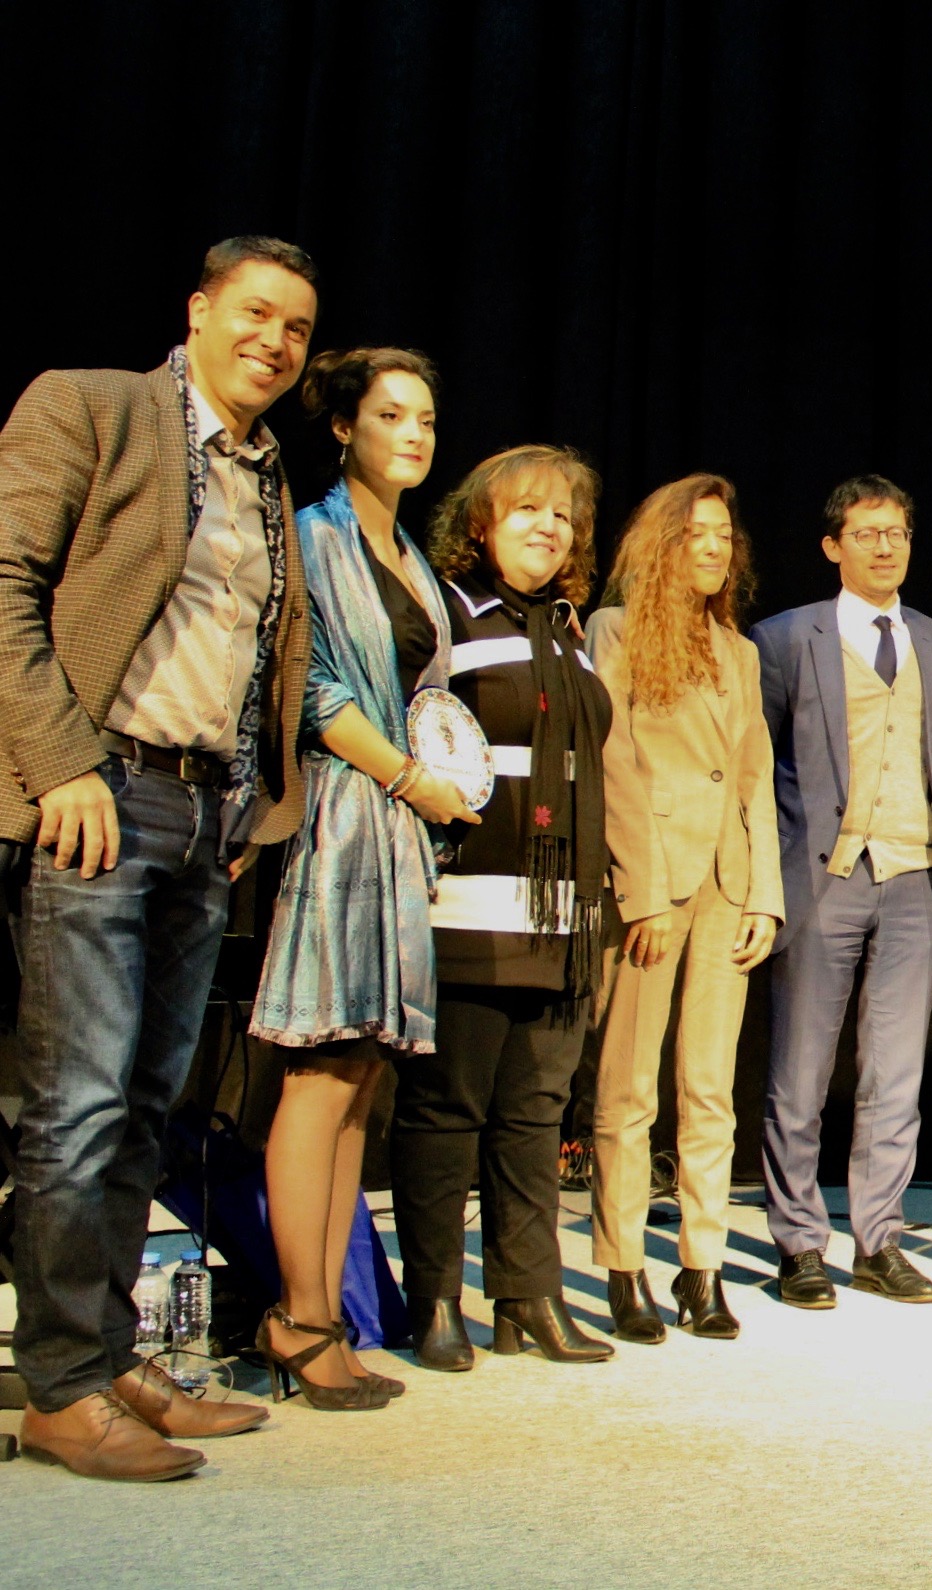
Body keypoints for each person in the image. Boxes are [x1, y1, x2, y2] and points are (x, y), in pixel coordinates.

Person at [0, 236, 317, 1479]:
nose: (274, 342)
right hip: (100, 790)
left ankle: (107, 1353)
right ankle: (59, 1386)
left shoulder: (267, 473)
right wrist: (60, 765)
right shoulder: (91, 406)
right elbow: (5, 584)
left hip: (198, 816)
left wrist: (248, 808)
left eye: (297, 328)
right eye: (255, 313)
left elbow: (255, 652)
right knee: (77, 1103)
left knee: (145, 1108)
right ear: (196, 309)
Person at [250, 347, 469, 1408]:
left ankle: (324, 1316)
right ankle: (297, 1320)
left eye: (424, 418)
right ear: (344, 428)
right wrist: (412, 779)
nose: (413, 434)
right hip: (347, 814)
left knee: (364, 1074)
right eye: (391, 416)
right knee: (323, 1067)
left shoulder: (409, 552)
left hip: (398, 829)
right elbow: (312, 690)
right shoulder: (316, 534)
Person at [391, 444, 622, 1370]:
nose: (547, 526)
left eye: (562, 515)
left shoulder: (568, 629)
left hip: (562, 916)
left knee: (535, 1111)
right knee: (448, 1109)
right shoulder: (445, 613)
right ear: (480, 523)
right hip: (467, 902)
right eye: (527, 509)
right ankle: (435, 1299)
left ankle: (530, 1294)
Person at [754, 475, 932, 1310]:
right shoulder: (784, 638)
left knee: (895, 1075)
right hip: (822, 877)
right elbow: (761, 763)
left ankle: (879, 1240)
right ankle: (800, 1243)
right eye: (868, 533)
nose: (885, 547)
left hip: (913, 875)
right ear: (832, 546)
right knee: (800, 1074)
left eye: (897, 533)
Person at [586, 475, 781, 1342]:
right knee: (629, 1086)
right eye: (696, 532)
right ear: (661, 544)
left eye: (723, 535)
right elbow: (614, 763)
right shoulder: (615, 631)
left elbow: (753, 776)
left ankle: (703, 1266)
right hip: (653, 885)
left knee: (710, 1088)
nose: (713, 547)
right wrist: (640, 893)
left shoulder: (738, 650)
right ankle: (624, 1264)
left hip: (726, 886)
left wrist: (765, 897)